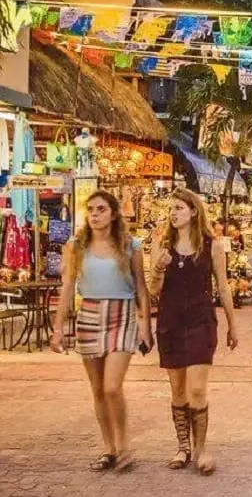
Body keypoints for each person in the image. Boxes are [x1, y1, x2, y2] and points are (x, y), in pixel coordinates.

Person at [50, 191, 153, 472]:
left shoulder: (131, 245)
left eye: (101, 209)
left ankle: (124, 447)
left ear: (113, 213)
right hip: (89, 314)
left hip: (122, 315)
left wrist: (146, 325)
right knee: (97, 389)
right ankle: (109, 449)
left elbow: (142, 288)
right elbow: (68, 286)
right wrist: (58, 328)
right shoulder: (76, 245)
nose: (95, 214)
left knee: (112, 386)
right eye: (91, 210)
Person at [148, 188, 239, 475]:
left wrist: (233, 325)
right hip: (170, 320)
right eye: (171, 209)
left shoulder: (212, 245)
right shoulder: (161, 244)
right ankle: (183, 447)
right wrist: (158, 270)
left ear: (194, 211)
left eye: (179, 208)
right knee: (177, 390)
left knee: (197, 388)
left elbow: (222, 286)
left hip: (200, 319)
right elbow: (153, 291)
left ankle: (201, 450)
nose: (173, 213)